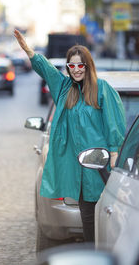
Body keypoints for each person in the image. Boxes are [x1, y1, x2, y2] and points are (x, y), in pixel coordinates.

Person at [14, 29, 126, 242]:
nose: (76, 70)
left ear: (88, 66)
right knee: (88, 223)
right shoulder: (64, 89)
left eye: (80, 65)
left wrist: (113, 155)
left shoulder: (102, 89)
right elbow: (46, 70)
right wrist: (29, 51)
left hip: (102, 170)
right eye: (71, 66)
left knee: (110, 225)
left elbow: (114, 124)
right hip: (80, 172)